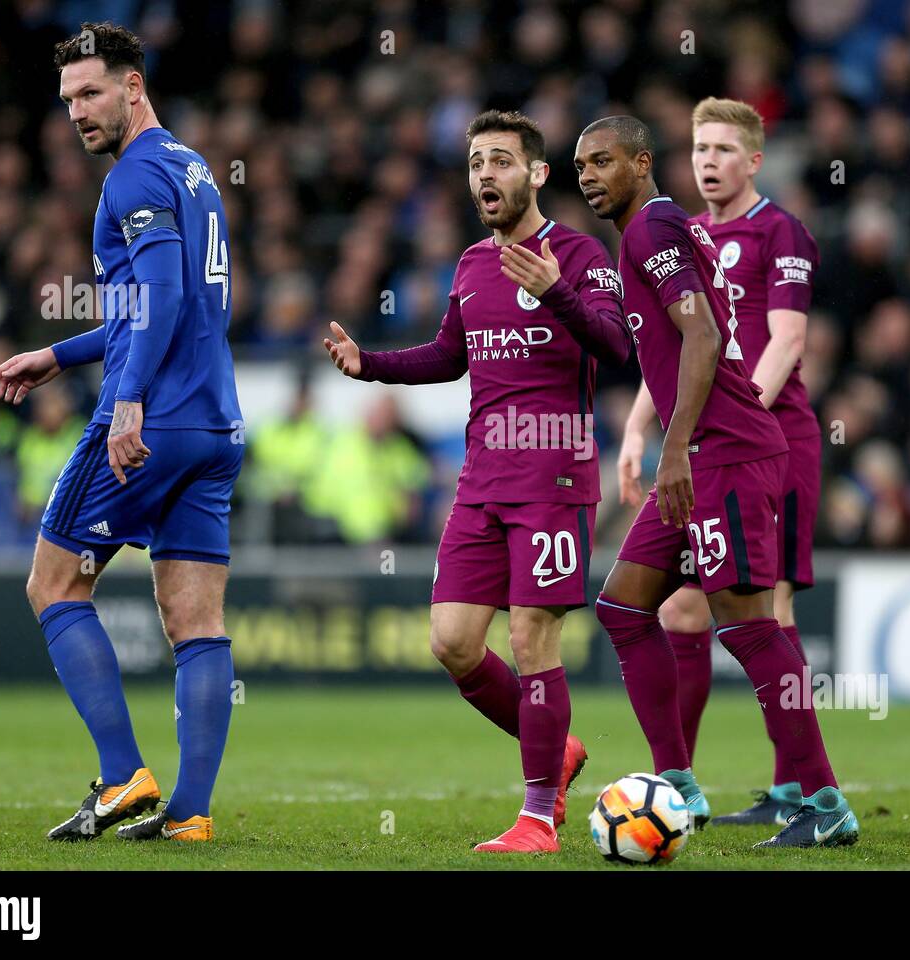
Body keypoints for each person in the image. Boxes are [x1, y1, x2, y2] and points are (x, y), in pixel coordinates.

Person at [324, 110, 631, 853]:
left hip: (554, 477)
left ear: (537, 173)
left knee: (533, 640)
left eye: (500, 160)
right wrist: (373, 365)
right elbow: (449, 355)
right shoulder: (469, 265)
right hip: (482, 481)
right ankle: (554, 750)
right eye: (474, 163)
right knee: (453, 643)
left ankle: (536, 817)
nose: (484, 175)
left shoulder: (582, 254)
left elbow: (619, 346)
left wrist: (557, 291)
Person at [0, 22, 243, 843]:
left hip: (152, 420)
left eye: (91, 92)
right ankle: (193, 815)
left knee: (54, 585)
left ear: (134, 86)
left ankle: (123, 775)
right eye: (67, 100)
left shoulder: (132, 177)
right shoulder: (192, 170)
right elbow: (161, 306)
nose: (77, 112)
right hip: (213, 422)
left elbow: (161, 299)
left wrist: (126, 399)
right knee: (196, 622)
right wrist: (61, 354)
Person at [577, 114, 858, 848]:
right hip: (704, 450)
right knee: (623, 607)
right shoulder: (666, 227)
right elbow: (677, 344)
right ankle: (678, 783)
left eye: (603, 161)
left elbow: (702, 336)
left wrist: (672, 451)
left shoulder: (649, 231)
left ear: (641, 164)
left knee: (749, 625)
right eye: (581, 166)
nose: (588, 176)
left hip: (724, 452)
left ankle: (824, 805)